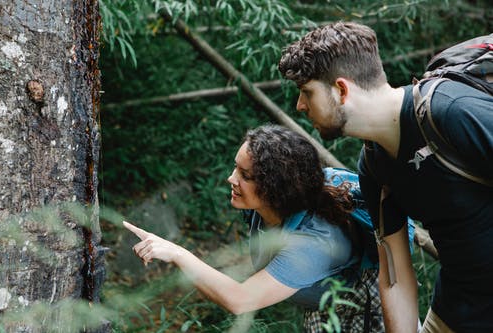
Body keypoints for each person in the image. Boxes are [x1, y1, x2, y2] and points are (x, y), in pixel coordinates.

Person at [278, 21, 493, 333]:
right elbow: (394, 277)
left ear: (341, 90)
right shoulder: (373, 166)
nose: (300, 105)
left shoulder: (450, 112)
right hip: (456, 310)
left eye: (306, 92)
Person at [124, 124, 384, 332]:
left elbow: (241, 300)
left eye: (245, 176)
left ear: (277, 186)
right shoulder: (268, 208)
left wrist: (177, 254)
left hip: (364, 316)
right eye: (236, 168)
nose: (231, 179)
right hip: (322, 310)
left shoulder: (311, 244)